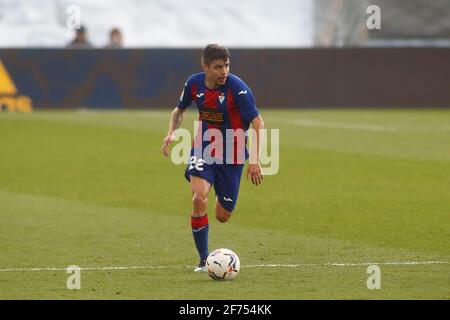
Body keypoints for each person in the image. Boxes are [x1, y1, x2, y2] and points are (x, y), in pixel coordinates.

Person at [161, 44, 265, 272]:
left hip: (233, 156)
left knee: (222, 216)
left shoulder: (238, 89)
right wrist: (171, 132)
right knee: (198, 198)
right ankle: (203, 259)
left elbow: (258, 123)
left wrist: (254, 160)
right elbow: (179, 110)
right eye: (218, 67)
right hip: (204, 148)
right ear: (205, 66)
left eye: (226, 65)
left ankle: (221, 191)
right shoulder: (194, 83)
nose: (224, 72)